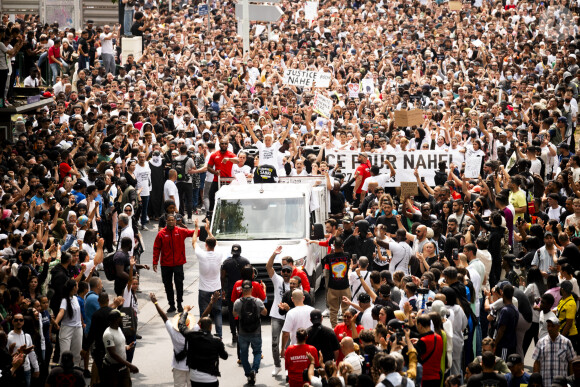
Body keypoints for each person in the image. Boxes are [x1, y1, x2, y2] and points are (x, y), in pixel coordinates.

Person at [153, 213, 195, 313]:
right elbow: (156, 248)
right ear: (166, 221)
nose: (171, 221)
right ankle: (171, 305)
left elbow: (192, 233)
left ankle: (179, 303)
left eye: (173, 220)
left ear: (175, 221)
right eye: (169, 220)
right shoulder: (161, 233)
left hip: (178, 264)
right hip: (165, 265)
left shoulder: (180, 231)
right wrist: (155, 262)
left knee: (179, 284)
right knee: (167, 285)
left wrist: (204, 229)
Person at [192, 218, 224, 338]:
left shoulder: (201, 254)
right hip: (216, 289)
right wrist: (208, 230)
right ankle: (219, 335)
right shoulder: (219, 253)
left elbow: (194, 242)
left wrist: (196, 229)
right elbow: (216, 243)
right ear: (214, 245)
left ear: (205, 245)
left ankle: (205, 334)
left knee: (204, 314)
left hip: (204, 290)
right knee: (218, 313)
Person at [232, 280, 268, 385]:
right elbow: (265, 313)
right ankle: (254, 370)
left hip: (243, 332)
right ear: (252, 289)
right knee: (257, 352)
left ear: (242, 290)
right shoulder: (257, 301)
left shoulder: (238, 302)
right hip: (256, 332)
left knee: (243, 354)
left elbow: (234, 315)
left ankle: (248, 373)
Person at [179, 311, 228, 387]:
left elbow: (181, 326)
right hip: (210, 378)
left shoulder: (192, 336)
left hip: (195, 377)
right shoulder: (216, 341)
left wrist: (185, 312)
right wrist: (221, 347)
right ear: (211, 327)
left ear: (200, 326)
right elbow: (225, 356)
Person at [265, 246, 292, 376]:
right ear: (281, 272)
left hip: (289, 317)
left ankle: (288, 368)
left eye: (288, 270)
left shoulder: (295, 284)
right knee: (275, 342)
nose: (286, 272)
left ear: (291, 272)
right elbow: (268, 267)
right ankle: (277, 365)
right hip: (276, 315)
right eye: (284, 270)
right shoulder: (278, 280)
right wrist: (274, 254)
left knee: (288, 345)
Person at [532, 316, 576, 386]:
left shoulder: (566, 342)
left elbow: (571, 362)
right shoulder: (541, 342)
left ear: (558, 327)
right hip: (545, 383)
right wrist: (535, 381)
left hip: (561, 384)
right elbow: (537, 362)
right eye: (548, 326)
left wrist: (571, 381)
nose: (550, 329)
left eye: (552, 326)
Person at [221, 244, 250, 344]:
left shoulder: (226, 262)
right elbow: (250, 275)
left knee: (232, 313)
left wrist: (222, 289)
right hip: (243, 290)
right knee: (244, 311)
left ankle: (234, 334)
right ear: (240, 252)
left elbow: (222, 277)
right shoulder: (245, 261)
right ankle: (242, 333)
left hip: (231, 290)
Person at [101, 309, 139, 386]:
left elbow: (118, 345)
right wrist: (130, 365)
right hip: (112, 370)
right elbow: (113, 354)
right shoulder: (108, 334)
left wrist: (127, 346)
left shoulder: (119, 329)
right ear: (116, 320)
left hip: (123, 368)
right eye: (120, 317)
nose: (122, 319)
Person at [322, 236, 351, 328]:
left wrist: (331, 252)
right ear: (342, 245)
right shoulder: (347, 255)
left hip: (333, 287)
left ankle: (335, 328)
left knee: (333, 310)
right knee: (346, 309)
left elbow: (324, 262)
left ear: (334, 246)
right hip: (345, 286)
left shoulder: (329, 257)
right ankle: (346, 327)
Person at [7, 313, 39, 385]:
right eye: (16, 320)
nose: (19, 322)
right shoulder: (8, 337)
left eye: (21, 320)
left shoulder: (27, 336)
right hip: (15, 370)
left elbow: (31, 353)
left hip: (27, 370)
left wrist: (36, 368)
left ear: (23, 322)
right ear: (12, 322)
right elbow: (7, 356)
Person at [415, 314, 444, 387]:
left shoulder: (423, 341)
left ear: (420, 325)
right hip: (437, 376)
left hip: (425, 378)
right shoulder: (439, 337)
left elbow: (416, 357)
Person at [494, 283, 519, 360]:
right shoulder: (515, 309)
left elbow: (502, 329)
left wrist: (495, 343)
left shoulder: (505, 310)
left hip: (504, 345)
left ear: (502, 294)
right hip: (511, 343)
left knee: (503, 368)